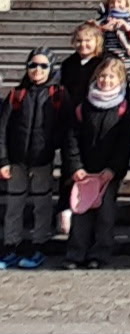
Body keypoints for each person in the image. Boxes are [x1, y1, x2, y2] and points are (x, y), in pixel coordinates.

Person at [63, 57, 130, 270]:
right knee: (80, 212)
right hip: (84, 170)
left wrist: (113, 169)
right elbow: (71, 138)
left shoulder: (124, 109)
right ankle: (76, 253)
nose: (106, 80)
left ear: (120, 80)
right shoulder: (83, 105)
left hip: (107, 172)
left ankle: (99, 253)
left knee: (105, 214)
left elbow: (125, 142)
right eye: (102, 76)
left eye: (111, 77)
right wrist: (76, 166)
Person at [0, 48, 70, 269]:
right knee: (14, 204)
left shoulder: (58, 94)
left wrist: (52, 146)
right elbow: (2, 129)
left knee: (42, 203)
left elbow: (66, 127)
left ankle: (39, 244)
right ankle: (11, 245)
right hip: (16, 159)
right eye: (32, 65)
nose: (37, 70)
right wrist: (3, 160)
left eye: (43, 66)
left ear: (51, 68)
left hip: (42, 159)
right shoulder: (16, 94)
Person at [56, 22, 104, 233]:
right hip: (70, 122)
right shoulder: (69, 64)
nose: (83, 44)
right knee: (70, 168)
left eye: (88, 40)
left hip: (94, 122)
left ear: (97, 41)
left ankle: (90, 218)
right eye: (79, 40)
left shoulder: (103, 63)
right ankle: (65, 211)